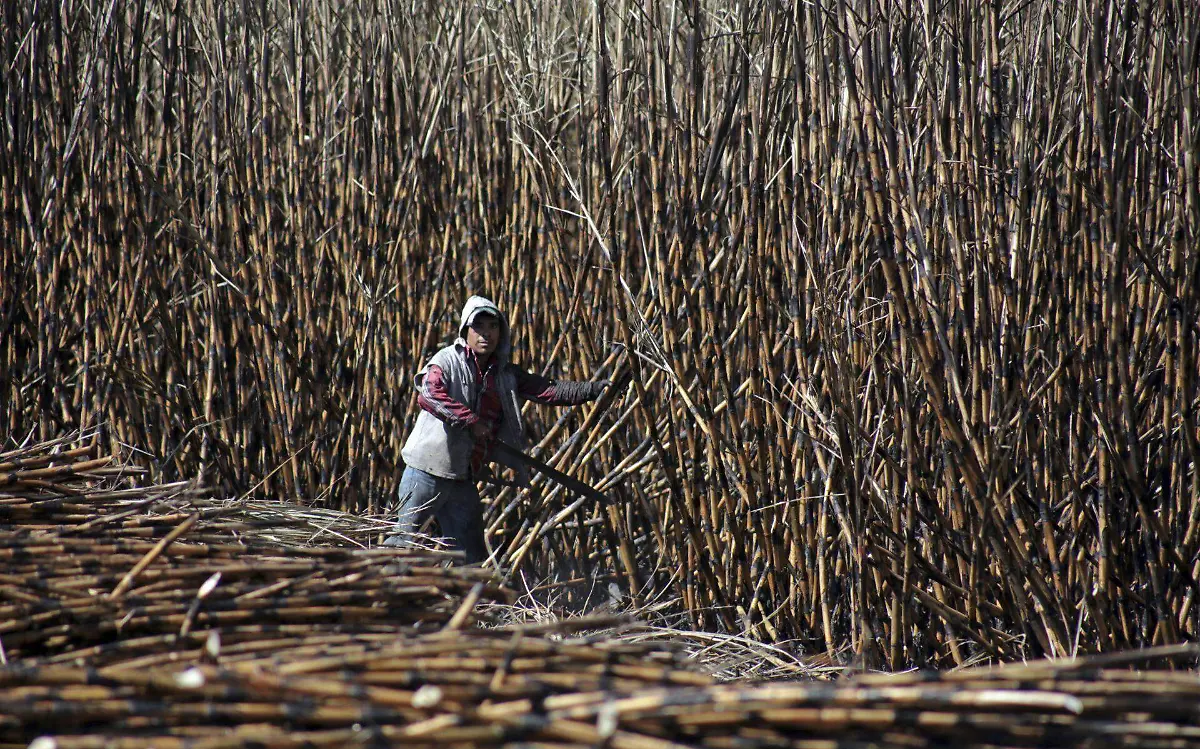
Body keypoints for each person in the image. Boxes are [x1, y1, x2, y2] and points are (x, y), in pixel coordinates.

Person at [383, 295, 611, 563]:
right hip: (424, 472)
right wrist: (470, 421)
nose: (486, 334)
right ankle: (383, 597)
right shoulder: (446, 361)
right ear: (465, 330)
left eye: (492, 327)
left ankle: (465, 603)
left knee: (469, 555)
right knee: (402, 543)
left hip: (460, 476)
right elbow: (429, 394)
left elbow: (546, 389)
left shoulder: (503, 373)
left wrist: (592, 390)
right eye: (478, 327)